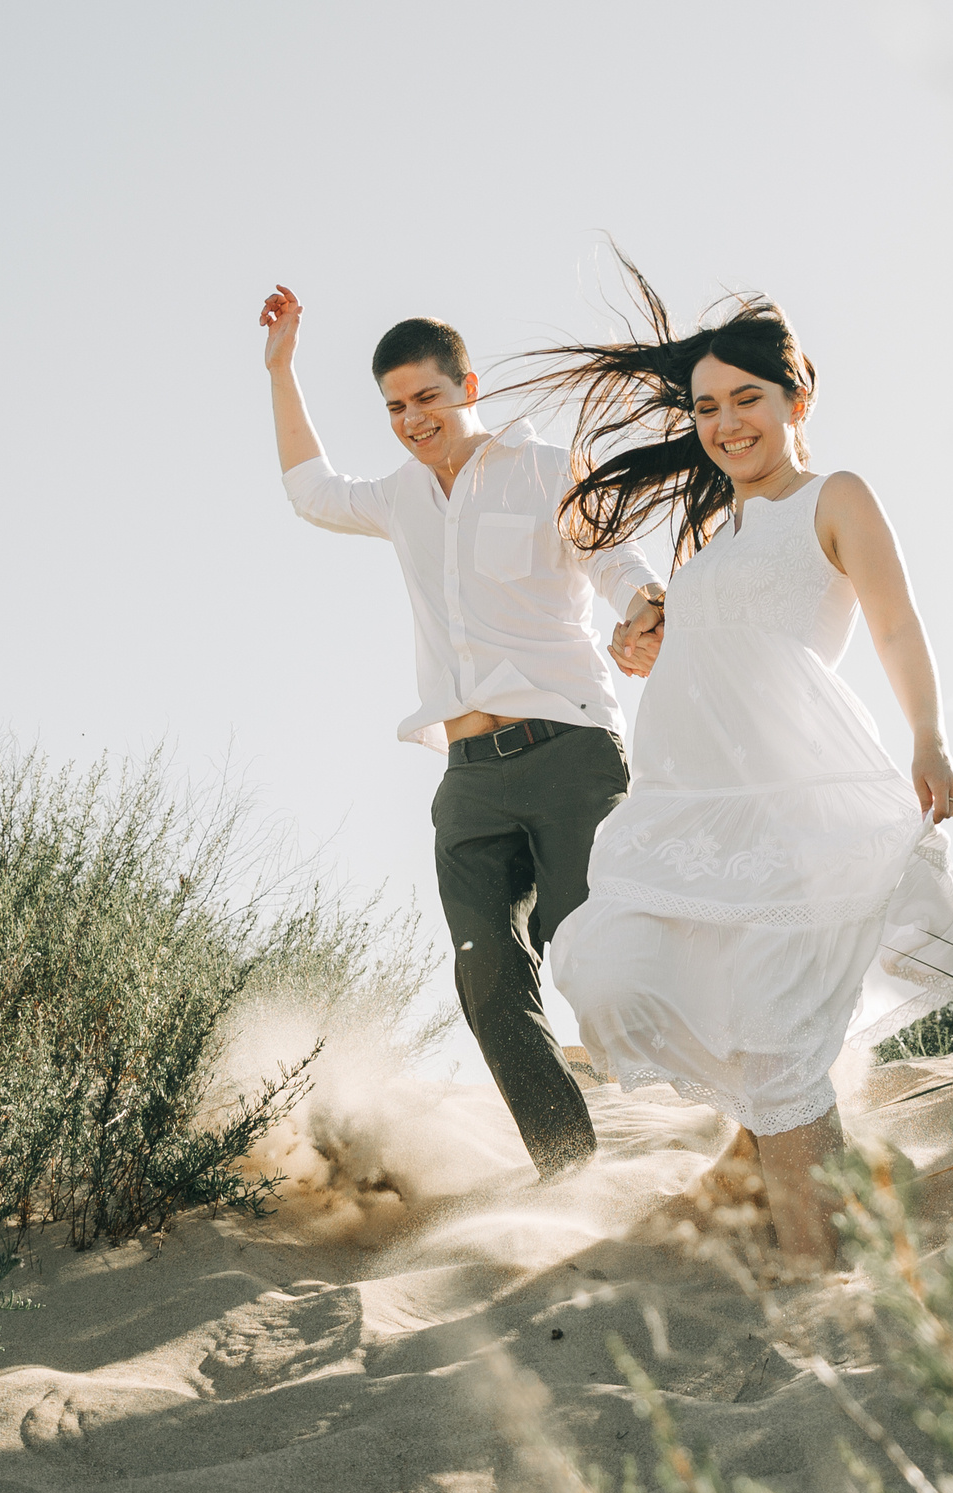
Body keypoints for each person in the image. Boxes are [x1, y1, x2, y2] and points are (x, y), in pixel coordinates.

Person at [531, 263, 953, 1273]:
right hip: (698, 821)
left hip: (800, 811)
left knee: (778, 1052)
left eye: (747, 401)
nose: (727, 424)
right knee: (606, 968)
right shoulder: (710, 537)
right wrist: (650, 635)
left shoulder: (833, 496)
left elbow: (897, 623)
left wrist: (929, 740)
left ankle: (816, 1276)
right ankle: (764, 1177)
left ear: (795, 401)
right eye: (708, 408)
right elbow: (691, 656)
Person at [260, 285, 667, 1179]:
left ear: (466, 385)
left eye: (426, 399)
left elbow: (613, 556)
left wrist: (643, 605)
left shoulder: (544, 467)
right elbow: (311, 492)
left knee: (596, 947)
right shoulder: (401, 497)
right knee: (486, 978)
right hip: (470, 777)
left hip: (570, 749)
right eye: (395, 407)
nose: (412, 420)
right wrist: (283, 370)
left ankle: (740, 1101)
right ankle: (571, 1172)